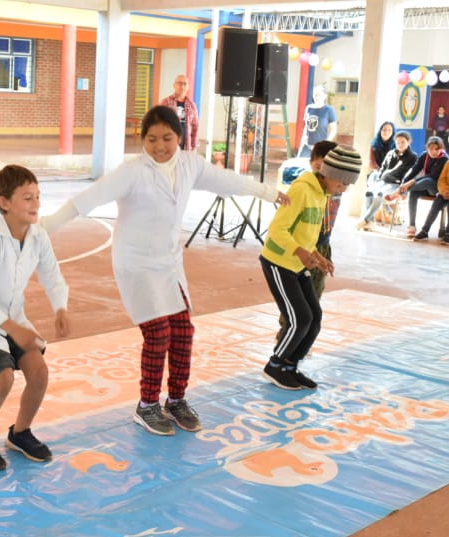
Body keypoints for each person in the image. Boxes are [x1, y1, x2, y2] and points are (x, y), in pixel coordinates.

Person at [41, 105, 290, 436]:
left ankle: (176, 400)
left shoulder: (190, 165)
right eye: (152, 139)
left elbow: (227, 181)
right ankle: (147, 405)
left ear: (180, 138)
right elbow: (89, 197)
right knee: (158, 333)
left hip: (169, 264)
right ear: (142, 139)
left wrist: (268, 192)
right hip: (136, 263)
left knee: (183, 333)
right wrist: (47, 226)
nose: (160, 146)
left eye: (167, 138)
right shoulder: (132, 171)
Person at [0, 165, 70, 471]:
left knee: (39, 372)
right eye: (27, 198)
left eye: (37, 196)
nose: (36, 204)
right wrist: (11, 329)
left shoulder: (38, 235)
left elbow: (52, 275)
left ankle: (20, 433)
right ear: (4, 202)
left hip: (13, 317)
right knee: (3, 377)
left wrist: (60, 308)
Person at [261, 145, 363, 390]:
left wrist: (317, 255)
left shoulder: (322, 193)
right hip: (278, 262)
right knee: (299, 319)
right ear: (328, 173)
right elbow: (277, 230)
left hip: (298, 263)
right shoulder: (302, 190)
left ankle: (290, 366)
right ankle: (274, 365)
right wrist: (299, 252)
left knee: (314, 318)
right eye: (342, 183)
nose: (344, 189)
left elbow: (306, 234)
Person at [276, 140, 338, 341]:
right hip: (301, 248)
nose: (324, 173)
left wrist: (321, 253)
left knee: (314, 291)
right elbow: (281, 227)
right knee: (295, 295)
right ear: (312, 163)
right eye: (319, 166)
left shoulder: (335, 188)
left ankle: (304, 330)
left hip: (322, 244)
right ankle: (288, 329)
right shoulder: (304, 188)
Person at [388, 136, 449, 237]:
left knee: (428, 181)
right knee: (413, 193)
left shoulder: (444, 158)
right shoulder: (425, 155)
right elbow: (414, 169)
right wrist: (404, 182)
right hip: (422, 186)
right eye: (430, 148)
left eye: (436, 149)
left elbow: (432, 175)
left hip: (437, 188)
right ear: (426, 148)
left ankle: (398, 192)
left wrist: (411, 183)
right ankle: (412, 226)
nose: (433, 151)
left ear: (441, 149)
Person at [358, 131, 418, 230]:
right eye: (398, 142)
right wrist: (380, 178)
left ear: (409, 142)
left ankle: (365, 219)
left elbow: (407, 173)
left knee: (379, 194)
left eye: (403, 142)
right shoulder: (391, 153)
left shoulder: (413, 157)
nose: (400, 144)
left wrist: (400, 187)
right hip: (384, 181)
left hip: (397, 184)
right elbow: (383, 168)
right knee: (368, 192)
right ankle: (371, 221)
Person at [159, 74, 199, 152]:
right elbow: (158, 123)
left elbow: (195, 127)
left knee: (184, 164)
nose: (182, 86)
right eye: (180, 83)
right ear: (174, 85)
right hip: (168, 145)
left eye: (185, 84)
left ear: (188, 87)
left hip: (186, 146)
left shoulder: (192, 105)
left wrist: (194, 146)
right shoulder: (165, 102)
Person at [297, 85, 337, 158]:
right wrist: (302, 142)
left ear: (325, 96)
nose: (317, 97)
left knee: (318, 168)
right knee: (300, 166)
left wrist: (325, 143)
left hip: (320, 148)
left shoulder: (329, 110)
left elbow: (333, 129)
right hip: (306, 146)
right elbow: (306, 127)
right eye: (315, 94)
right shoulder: (308, 108)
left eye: (319, 95)